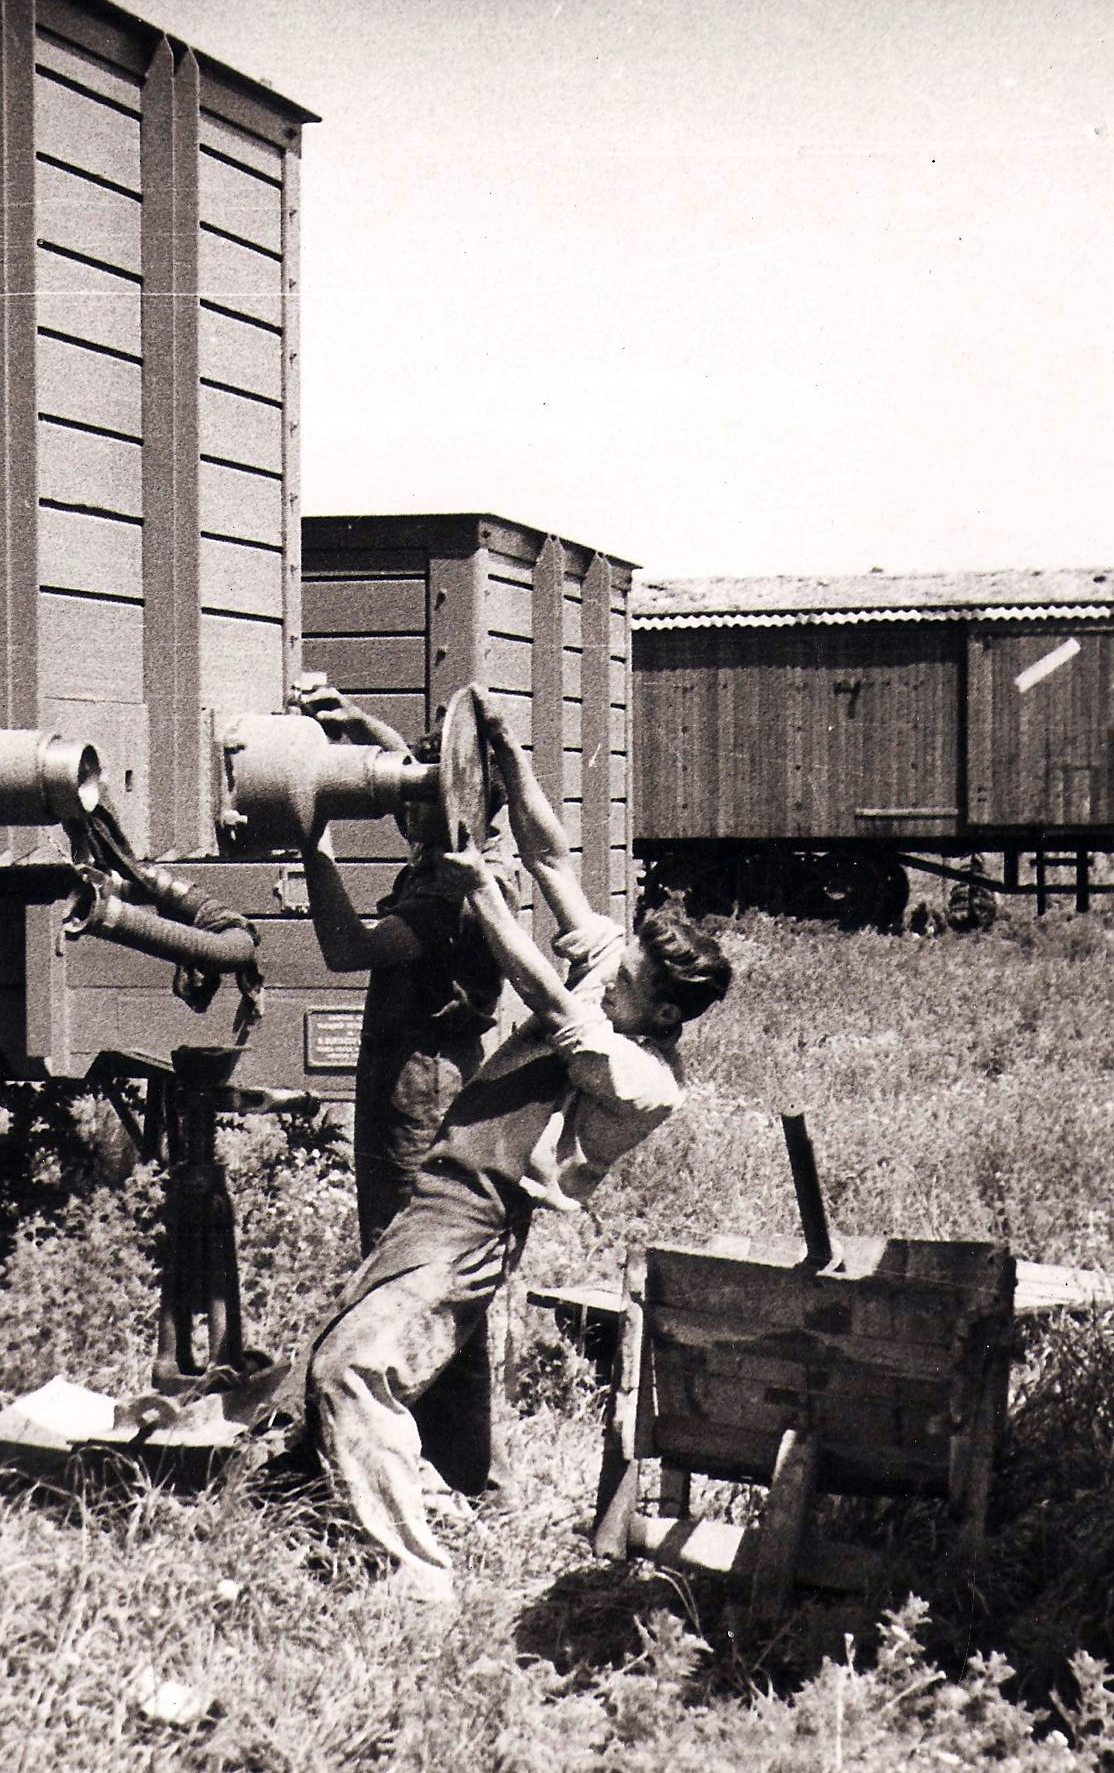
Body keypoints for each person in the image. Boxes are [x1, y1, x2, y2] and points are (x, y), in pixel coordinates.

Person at [307, 694, 733, 1604]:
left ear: (660, 1010)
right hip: (442, 1185)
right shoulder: (625, 982)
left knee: (352, 1367)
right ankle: (437, 1495)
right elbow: (548, 856)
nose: (607, 960)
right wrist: (505, 746)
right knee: (357, 1352)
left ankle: (413, 1580)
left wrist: (479, 892)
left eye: (626, 974)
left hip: (478, 1213)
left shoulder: (643, 1073)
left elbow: (547, 995)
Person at [293, 681, 512, 1499]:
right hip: (413, 1075)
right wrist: (356, 724)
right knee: (415, 1266)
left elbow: (349, 949)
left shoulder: (450, 891)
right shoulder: (444, 854)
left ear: (459, 806)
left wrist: (312, 845)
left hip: (422, 1089)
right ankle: (453, 1462)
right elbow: (420, 782)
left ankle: (457, 1470)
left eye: (427, 783)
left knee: (414, 1269)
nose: (408, 790)